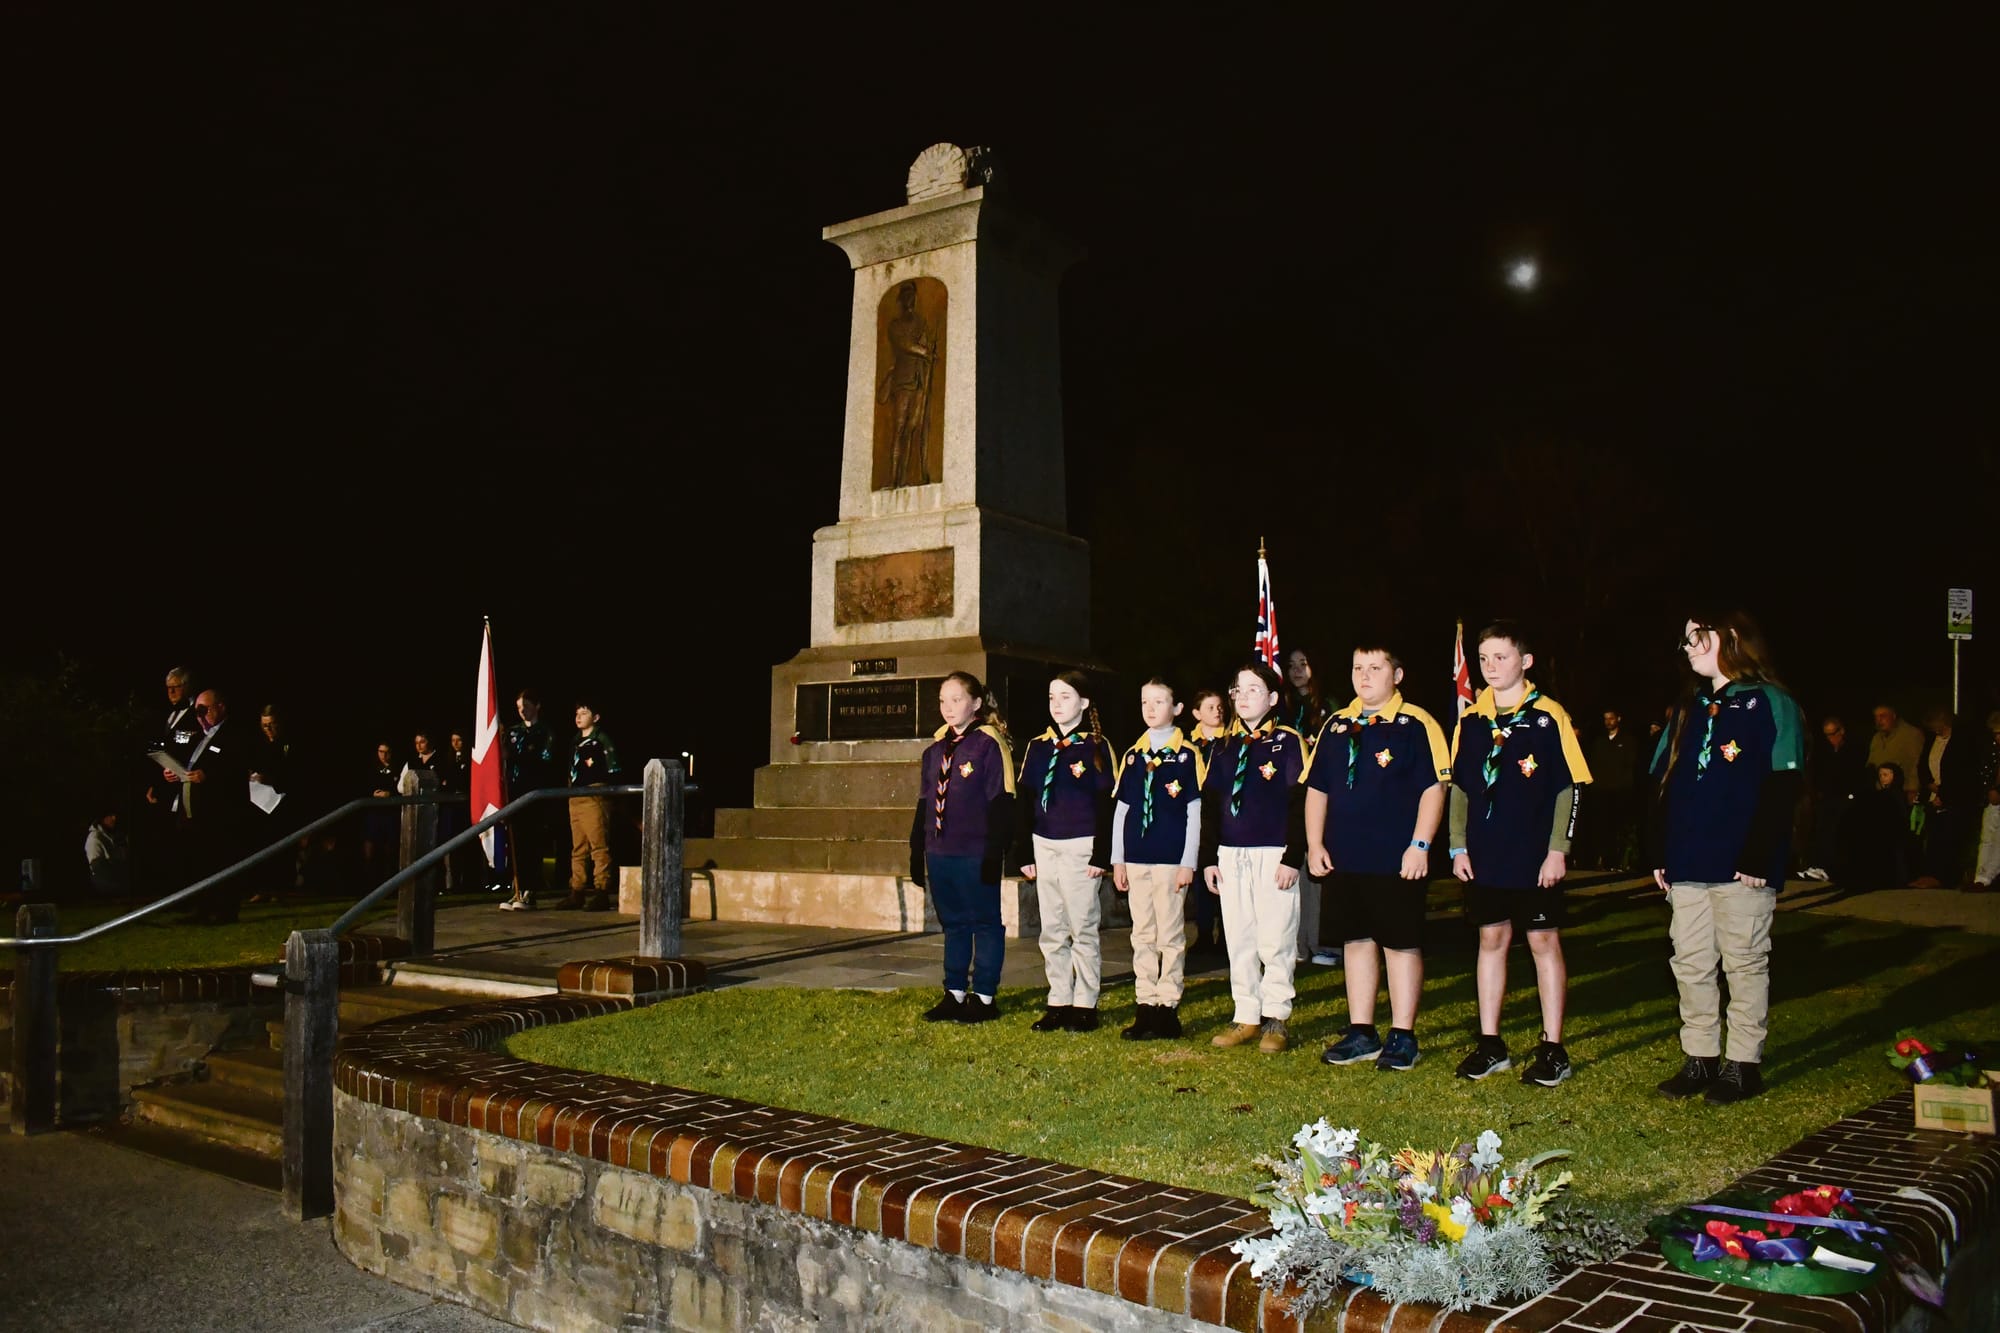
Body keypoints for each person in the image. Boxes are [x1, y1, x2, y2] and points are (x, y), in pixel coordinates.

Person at [1650, 612, 1804, 1105]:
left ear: (1732, 638)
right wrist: (1660, 850)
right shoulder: (1688, 707)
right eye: (1685, 639)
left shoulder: (1771, 702)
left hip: (1742, 865)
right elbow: (1661, 780)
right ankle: (1700, 1057)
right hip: (1688, 860)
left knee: (1744, 962)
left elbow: (1784, 784)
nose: (1688, 647)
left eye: (1698, 636)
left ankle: (1742, 1063)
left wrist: (1759, 855)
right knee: (1690, 962)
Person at [1445, 622, 1593, 1086]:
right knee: (1490, 940)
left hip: (1535, 856)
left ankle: (1553, 1048)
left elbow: (1570, 787)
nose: (1490, 667)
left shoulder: (1549, 716)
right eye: (1483, 659)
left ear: (1525, 662)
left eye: (1501, 657)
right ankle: (1491, 1044)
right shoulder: (1472, 720)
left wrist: (1558, 849)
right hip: (1485, 854)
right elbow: (1460, 789)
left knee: (1543, 942)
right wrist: (1457, 845)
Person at [1307, 644, 1453, 1073]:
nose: (1364, 676)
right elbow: (1317, 788)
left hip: (1396, 858)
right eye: (1358, 668)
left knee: (1400, 944)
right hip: (1345, 856)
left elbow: (1434, 788)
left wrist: (1420, 845)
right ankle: (1362, 1032)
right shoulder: (1337, 724)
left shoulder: (1416, 724)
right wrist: (1315, 844)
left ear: (1397, 675)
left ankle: (1403, 1036)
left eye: (1375, 667)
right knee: (1355, 942)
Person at [1198, 661, 1307, 1054]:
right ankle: (1246, 1013)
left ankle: (1276, 1015)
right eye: (1237, 691)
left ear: (1273, 698)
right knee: (1239, 936)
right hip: (1231, 854)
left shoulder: (1288, 742)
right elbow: (1210, 806)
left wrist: (1293, 855)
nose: (1243, 698)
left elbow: (1300, 801)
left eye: (1253, 690)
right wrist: (1209, 858)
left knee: (1275, 937)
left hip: (1273, 852)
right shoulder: (1223, 747)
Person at [908, 671, 1016, 1023]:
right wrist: (916, 848)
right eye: (943, 700)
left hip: (975, 850)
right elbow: (925, 801)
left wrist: (995, 850)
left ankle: (983, 996)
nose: (948, 707)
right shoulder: (935, 749)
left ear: (976, 703)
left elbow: (1002, 800)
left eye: (957, 699)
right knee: (953, 922)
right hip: (940, 851)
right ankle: (954, 992)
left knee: (984, 922)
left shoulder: (988, 744)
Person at [1013, 671, 1116, 1032]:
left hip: (1080, 846)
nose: (1057, 704)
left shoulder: (1096, 745)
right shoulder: (1038, 746)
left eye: (1066, 697)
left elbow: (1106, 803)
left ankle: (1085, 1002)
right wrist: (1024, 851)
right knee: (1052, 928)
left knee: (1082, 926)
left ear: (1084, 703)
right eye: (1052, 697)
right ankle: (1058, 999)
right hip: (1045, 844)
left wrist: (1101, 854)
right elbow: (1025, 799)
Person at [1110, 678, 1205, 1040]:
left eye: (1159, 702)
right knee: (1142, 933)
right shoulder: (1133, 756)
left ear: (1177, 709)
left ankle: (1168, 1005)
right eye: (1145, 702)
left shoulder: (1187, 755)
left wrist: (1188, 862)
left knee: (1170, 934)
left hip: (1170, 859)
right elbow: (1122, 810)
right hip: (1137, 857)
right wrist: (1118, 859)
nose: (1150, 709)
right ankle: (1145, 1003)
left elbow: (1194, 812)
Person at [164, 689, 254, 923]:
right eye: (196, 711)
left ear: (221, 707)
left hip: (221, 814)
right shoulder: (196, 737)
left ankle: (224, 910)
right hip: (193, 812)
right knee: (199, 861)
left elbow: (237, 766)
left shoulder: (234, 734)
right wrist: (173, 772)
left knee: (222, 860)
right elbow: (182, 756)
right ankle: (203, 908)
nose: (200, 716)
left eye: (205, 710)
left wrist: (209, 776)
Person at [1278, 647, 1337, 968]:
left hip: (1320, 794)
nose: (1297, 670)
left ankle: (1323, 942)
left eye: (1303, 663)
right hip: (1289, 797)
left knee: (1318, 871)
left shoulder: (1329, 706)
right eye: (1291, 665)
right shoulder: (1283, 708)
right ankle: (1297, 942)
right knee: (1294, 870)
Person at [500, 688, 562, 911]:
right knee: (516, 843)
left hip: (535, 795)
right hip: (514, 794)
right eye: (519, 707)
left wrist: (514, 756)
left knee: (532, 842)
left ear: (537, 706)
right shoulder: (513, 732)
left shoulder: (545, 732)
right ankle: (517, 889)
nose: (522, 710)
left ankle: (530, 891)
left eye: (526, 706)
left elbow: (545, 759)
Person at [558, 701, 624, 910]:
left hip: (594, 794)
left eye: (584, 713)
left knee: (598, 845)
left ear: (595, 717)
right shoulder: (575, 741)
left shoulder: (601, 740)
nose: (578, 717)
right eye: (577, 713)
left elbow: (613, 767)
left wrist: (606, 792)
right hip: (575, 794)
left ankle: (601, 889)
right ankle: (577, 889)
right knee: (578, 847)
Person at [1911, 709, 1984, 889]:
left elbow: (1962, 773)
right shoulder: (1932, 740)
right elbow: (1922, 765)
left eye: (1936, 725)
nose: (1934, 729)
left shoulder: (1962, 741)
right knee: (1933, 838)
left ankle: (1945, 876)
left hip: (1955, 799)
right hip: (1933, 794)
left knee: (1949, 838)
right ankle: (1931, 873)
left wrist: (1944, 794)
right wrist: (1929, 784)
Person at [1184, 687, 1231, 956]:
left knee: (1224, 877)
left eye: (1220, 706)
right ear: (1196, 713)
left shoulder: (1231, 740)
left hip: (1222, 817)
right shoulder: (1188, 745)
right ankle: (1203, 933)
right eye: (1210, 707)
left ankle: (1225, 935)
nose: (1217, 711)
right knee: (1201, 877)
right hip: (1196, 817)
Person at [878, 279, 938, 487]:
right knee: (899, 427)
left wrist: (928, 348)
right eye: (906, 295)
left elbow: (925, 341)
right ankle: (894, 478)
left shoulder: (921, 322)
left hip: (919, 378)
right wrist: (924, 351)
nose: (909, 299)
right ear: (901, 300)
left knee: (914, 426)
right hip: (903, 380)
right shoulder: (895, 325)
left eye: (912, 295)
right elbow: (904, 344)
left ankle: (907, 477)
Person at [1802, 716, 1869, 883]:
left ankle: (1833, 869)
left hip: (1846, 798)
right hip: (1827, 798)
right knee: (1823, 832)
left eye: (1833, 734)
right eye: (1827, 735)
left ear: (1841, 731)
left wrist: (1852, 794)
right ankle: (1819, 866)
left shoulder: (1854, 749)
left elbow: (1856, 774)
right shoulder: (1824, 751)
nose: (1830, 738)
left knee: (1839, 833)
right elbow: (1819, 772)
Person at [1581, 709, 1642, 871]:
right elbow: (1594, 765)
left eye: (1611, 718)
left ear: (1618, 719)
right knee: (1602, 826)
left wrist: (1626, 787)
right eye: (1606, 719)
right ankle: (1603, 859)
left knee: (1619, 827)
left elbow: (1630, 766)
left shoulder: (1627, 741)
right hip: (1601, 791)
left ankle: (1620, 861)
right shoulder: (1599, 741)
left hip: (1620, 791)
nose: (1608, 722)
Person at [1866, 704, 1925, 807]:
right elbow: (1871, 762)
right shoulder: (1877, 738)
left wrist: (1913, 788)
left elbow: (1916, 763)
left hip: (1902, 792)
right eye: (1876, 717)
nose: (1879, 720)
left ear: (1893, 716)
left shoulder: (1911, 734)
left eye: (1883, 716)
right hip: (1881, 791)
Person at [1968, 711, 2000, 894]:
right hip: (1992, 800)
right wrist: (1990, 789)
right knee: (1987, 838)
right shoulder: (1992, 751)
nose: (1997, 737)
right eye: (1995, 733)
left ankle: (1989, 877)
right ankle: (1980, 877)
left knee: (1998, 839)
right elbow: (1985, 772)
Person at [361, 742, 401, 881]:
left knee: (389, 851)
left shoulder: (397, 769)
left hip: (390, 813)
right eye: (380, 751)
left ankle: (388, 882)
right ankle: (368, 882)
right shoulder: (370, 769)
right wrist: (373, 793)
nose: (383, 755)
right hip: (373, 812)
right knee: (369, 848)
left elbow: (401, 789)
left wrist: (389, 793)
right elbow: (364, 786)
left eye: (386, 752)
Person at [84, 809, 128, 895]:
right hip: (106, 886)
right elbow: (98, 870)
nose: (114, 818)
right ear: (101, 818)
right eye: (110, 815)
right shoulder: (95, 838)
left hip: (119, 882)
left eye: (115, 815)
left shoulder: (116, 835)